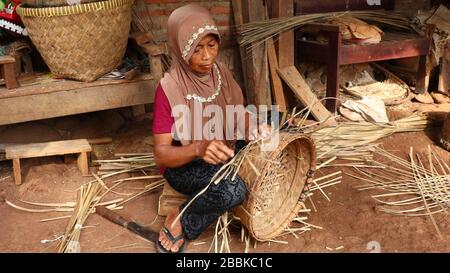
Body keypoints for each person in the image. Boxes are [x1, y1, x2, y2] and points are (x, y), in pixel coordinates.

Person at [152, 4, 269, 253]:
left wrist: (254, 128)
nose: (206, 57)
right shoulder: (169, 88)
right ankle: (182, 219)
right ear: (180, 49)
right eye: (196, 49)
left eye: (211, 46)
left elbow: (238, 114)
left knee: (275, 141)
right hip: (184, 164)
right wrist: (197, 148)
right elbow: (161, 155)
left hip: (221, 150)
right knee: (234, 190)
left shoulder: (220, 72)